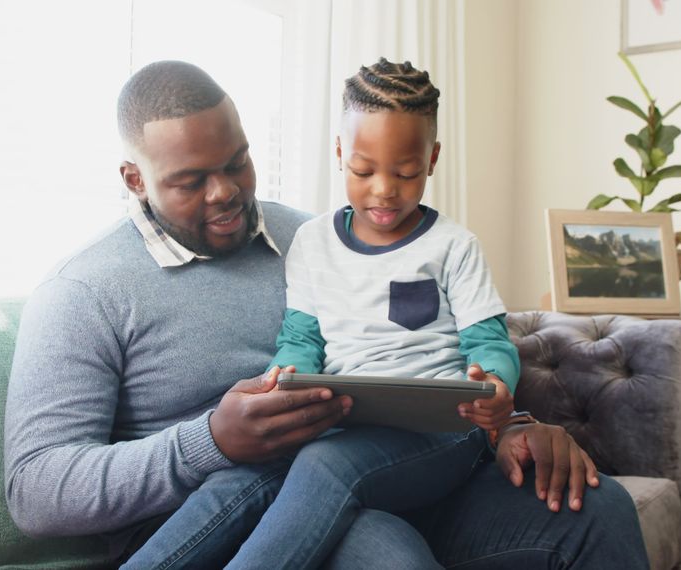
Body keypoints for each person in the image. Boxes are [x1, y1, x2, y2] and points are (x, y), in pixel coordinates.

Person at [3, 59, 650, 569]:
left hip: (391, 465)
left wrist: (511, 419)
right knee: (384, 553)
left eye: (238, 163)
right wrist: (210, 442)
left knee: (598, 508)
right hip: (236, 508)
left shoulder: (309, 235)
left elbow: (431, 340)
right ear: (134, 177)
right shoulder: (82, 291)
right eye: (191, 179)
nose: (226, 191)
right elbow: (35, 491)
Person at [122, 58, 524, 570]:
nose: (384, 189)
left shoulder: (453, 246)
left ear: (433, 158)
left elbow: (490, 344)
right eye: (363, 170)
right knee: (242, 479)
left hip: (447, 432)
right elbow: (301, 339)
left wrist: (494, 385)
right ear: (339, 153)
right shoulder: (312, 242)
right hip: (347, 426)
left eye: (405, 173)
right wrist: (283, 375)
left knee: (325, 465)